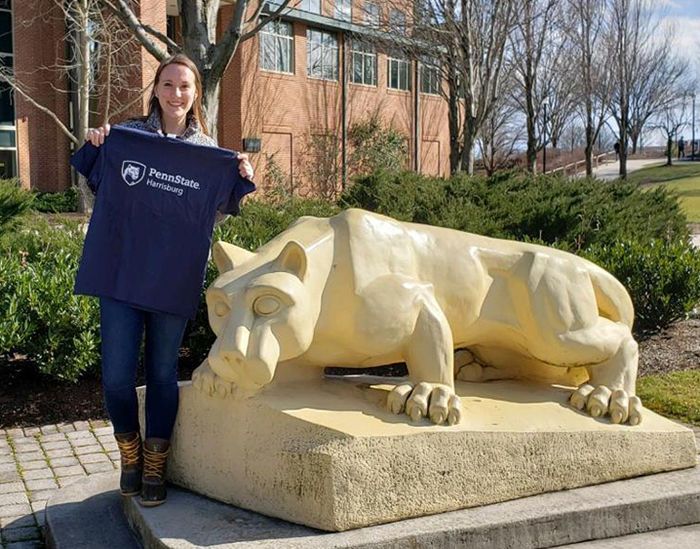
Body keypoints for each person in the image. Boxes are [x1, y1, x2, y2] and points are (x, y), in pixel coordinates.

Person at [76, 53, 255, 507]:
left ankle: (155, 464)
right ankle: (129, 453)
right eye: (169, 84)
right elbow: (95, 185)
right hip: (121, 273)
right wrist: (99, 143)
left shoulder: (209, 153)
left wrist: (239, 178)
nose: (177, 94)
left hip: (171, 279)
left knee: (161, 375)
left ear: (196, 95)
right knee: (116, 378)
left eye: (185, 87)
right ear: (155, 89)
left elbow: (213, 213)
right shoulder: (127, 137)